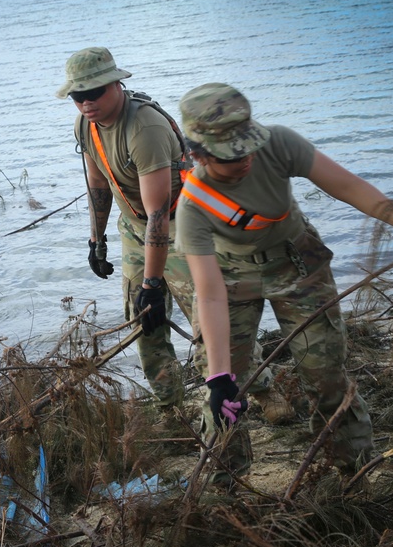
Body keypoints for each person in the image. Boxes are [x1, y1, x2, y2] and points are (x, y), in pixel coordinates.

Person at [174, 83, 393, 482]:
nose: (246, 159)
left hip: (298, 264)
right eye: (232, 156)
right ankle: (226, 486)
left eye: (248, 146)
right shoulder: (192, 208)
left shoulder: (278, 143)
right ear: (197, 154)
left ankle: (352, 475)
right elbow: (210, 294)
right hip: (231, 277)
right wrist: (218, 378)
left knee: (326, 375)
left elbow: (344, 184)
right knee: (225, 395)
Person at [56, 47, 294, 420]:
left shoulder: (144, 128)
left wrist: (153, 282)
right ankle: (170, 407)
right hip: (135, 231)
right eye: (77, 95)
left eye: (95, 92)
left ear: (117, 84)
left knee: (208, 324)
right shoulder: (85, 126)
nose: (86, 102)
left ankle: (261, 391)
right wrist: (96, 240)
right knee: (144, 321)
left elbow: (159, 214)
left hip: (181, 231)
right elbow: (98, 183)